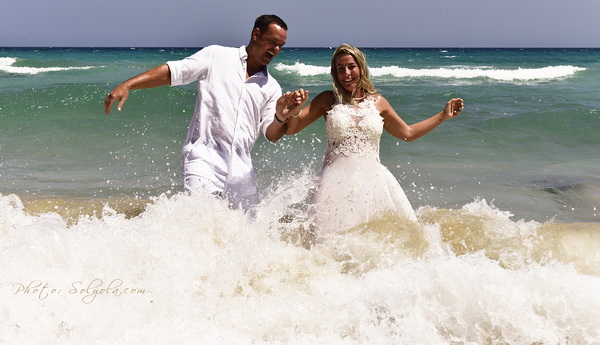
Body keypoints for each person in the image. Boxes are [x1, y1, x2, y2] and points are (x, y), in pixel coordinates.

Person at [104, 15, 303, 211]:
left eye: (281, 46)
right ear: (256, 34)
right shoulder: (217, 56)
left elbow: (271, 134)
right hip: (203, 159)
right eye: (272, 42)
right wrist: (129, 84)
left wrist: (280, 117)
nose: (276, 50)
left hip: (242, 171)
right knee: (203, 217)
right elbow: (175, 72)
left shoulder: (271, 87)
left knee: (246, 228)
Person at [284, 44, 464, 240]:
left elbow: (408, 133)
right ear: (334, 73)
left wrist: (442, 116)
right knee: (324, 241)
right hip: (334, 183)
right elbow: (292, 129)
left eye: (351, 66)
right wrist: (295, 110)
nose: (346, 73)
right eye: (340, 68)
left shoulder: (378, 102)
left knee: (381, 241)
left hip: (374, 182)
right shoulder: (327, 99)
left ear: (361, 68)